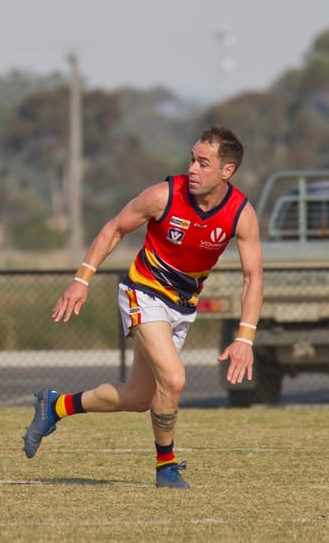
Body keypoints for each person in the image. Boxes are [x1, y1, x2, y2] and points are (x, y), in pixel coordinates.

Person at [23, 125, 263, 489]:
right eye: (192, 159)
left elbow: (253, 277)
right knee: (175, 378)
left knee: (138, 397)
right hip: (143, 291)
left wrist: (245, 338)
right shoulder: (164, 195)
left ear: (226, 171)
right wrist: (81, 280)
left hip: (182, 306)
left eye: (203, 163)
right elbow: (114, 229)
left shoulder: (240, 213)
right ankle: (165, 467)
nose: (193, 169)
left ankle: (54, 405)